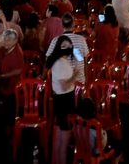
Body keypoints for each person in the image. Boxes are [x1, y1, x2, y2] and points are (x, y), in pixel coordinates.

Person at [47, 35, 77, 164]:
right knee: (64, 140)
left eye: (69, 46)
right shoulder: (60, 63)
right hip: (65, 102)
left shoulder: (61, 60)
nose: (67, 48)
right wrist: (74, 75)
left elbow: (79, 56)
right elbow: (65, 85)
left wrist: (73, 48)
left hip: (61, 100)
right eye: (64, 46)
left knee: (59, 137)